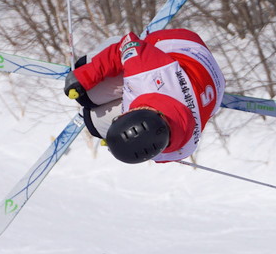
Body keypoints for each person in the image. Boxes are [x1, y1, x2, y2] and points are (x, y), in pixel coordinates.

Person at [63, 29, 225, 164]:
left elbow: (150, 149)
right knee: (86, 89)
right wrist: (85, 75)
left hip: (213, 89)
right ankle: (91, 73)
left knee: (94, 124)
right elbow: (127, 43)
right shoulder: (147, 73)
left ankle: (97, 120)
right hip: (183, 44)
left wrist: (115, 140)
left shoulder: (184, 149)